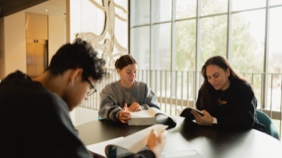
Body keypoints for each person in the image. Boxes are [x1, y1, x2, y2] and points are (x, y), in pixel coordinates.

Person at [0, 39, 165, 158]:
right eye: (89, 88)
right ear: (76, 76)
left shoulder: (12, 84)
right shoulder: (47, 107)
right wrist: (151, 152)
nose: (85, 99)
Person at [190, 55, 266, 131]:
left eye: (216, 76)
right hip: (217, 135)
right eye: (209, 77)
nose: (212, 81)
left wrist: (213, 120)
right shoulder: (205, 89)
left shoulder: (244, 89)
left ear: (227, 72)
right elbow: (200, 109)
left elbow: (246, 120)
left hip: (246, 134)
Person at [99, 54, 160, 123]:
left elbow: (156, 108)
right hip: (115, 129)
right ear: (118, 71)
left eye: (135, 72)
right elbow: (104, 109)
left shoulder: (144, 88)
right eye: (128, 72)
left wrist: (142, 108)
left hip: (140, 128)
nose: (133, 75)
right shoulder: (110, 89)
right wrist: (119, 114)